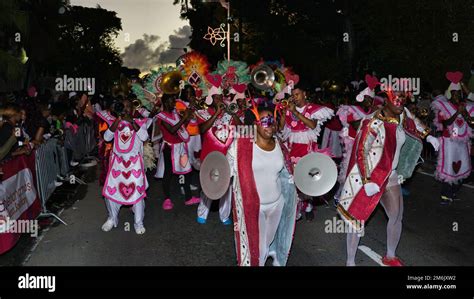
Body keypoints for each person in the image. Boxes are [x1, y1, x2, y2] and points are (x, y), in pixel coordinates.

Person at [337, 90, 439, 266]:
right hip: (369, 177)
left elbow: (414, 121)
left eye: (402, 103)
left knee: (396, 215)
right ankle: (350, 261)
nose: (401, 107)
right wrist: (368, 181)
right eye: (396, 103)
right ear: (386, 102)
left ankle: (390, 256)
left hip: (390, 175)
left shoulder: (401, 114)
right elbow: (361, 152)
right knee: (356, 219)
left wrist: (428, 135)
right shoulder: (373, 123)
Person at [227, 106, 297, 266]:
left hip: (276, 205)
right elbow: (225, 169)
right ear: (254, 124)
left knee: (266, 243)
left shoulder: (280, 144)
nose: (270, 125)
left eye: (272, 121)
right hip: (253, 207)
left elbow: (287, 173)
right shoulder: (240, 146)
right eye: (265, 121)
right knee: (259, 249)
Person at [278, 84, 334, 221]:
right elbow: (280, 128)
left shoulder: (312, 109)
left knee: (306, 178)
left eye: (297, 94)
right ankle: (295, 208)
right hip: (292, 149)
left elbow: (312, 125)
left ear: (304, 95)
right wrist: (284, 113)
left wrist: (296, 112)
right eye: (293, 95)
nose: (294, 97)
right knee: (293, 179)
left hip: (307, 149)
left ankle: (308, 205)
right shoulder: (289, 109)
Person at [100, 98, 150, 235]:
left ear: (133, 109)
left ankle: (138, 223)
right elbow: (106, 137)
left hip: (134, 166)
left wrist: (131, 121)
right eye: (123, 107)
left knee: (137, 194)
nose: (126, 109)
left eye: (128, 107)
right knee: (111, 193)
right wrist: (118, 119)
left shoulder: (140, 123)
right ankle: (112, 218)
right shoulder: (114, 124)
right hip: (118, 166)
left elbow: (145, 137)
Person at [195, 83, 242, 225]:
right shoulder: (203, 113)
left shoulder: (229, 113)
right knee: (207, 185)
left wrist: (233, 113)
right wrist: (216, 114)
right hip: (210, 157)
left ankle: (224, 215)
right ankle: (202, 213)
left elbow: (242, 129)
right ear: (211, 99)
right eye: (216, 98)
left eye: (221, 97)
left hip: (227, 157)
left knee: (226, 188)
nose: (220, 100)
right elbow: (202, 129)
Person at [431, 76, 474, 204]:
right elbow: (445, 124)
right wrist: (456, 113)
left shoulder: (466, 106)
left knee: (463, 168)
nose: (456, 96)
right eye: (454, 93)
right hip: (449, 142)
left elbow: (472, 124)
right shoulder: (444, 106)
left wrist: (465, 114)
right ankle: (446, 195)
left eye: (458, 93)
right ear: (450, 94)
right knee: (448, 168)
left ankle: (453, 191)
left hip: (462, 143)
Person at [155, 94, 200, 210]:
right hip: (169, 148)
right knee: (168, 174)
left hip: (180, 147)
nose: (173, 104)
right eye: (170, 102)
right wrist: (184, 118)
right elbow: (172, 131)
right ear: (165, 103)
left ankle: (188, 198)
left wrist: (187, 119)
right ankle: (167, 199)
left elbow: (181, 129)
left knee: (185, 171)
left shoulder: (175, 114)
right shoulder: (161, 117)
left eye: (173, 102)